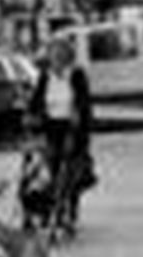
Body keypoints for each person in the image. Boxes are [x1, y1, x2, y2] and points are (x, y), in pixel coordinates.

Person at [29, 37, 95, 239]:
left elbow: (84, 104)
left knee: (71, 173)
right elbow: (36, 101)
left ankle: (70, 212)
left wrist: (80, 124)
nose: (55, 59)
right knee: (50, 170)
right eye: (52, 55)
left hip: (72, 129)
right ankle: (49, 210)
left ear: (67, 57)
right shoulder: (45, 76)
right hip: (51, 128)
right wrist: (31, 116)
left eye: (59, 55)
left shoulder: (76, 75)